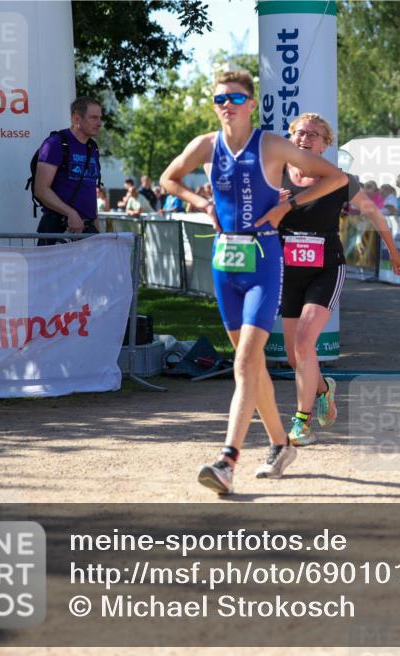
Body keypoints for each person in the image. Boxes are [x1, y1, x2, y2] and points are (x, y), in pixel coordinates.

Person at [160, 70, 347, 494]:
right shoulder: (206, 145)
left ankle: (227, 460)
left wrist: (288, 206)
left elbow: (336, 177)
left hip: (264, 259)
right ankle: (281, 444)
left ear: (251, 103)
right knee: (252, 364)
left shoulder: (273, 144)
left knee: (246, 362)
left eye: (236, 97)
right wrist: (200, 201)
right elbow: (168, 178)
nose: (227, 104)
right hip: (226, 262)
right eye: (220, 98)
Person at [277, 113, 400, 446]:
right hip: (286, 271)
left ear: (326, 144)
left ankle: (301, 422)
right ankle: (323, 389)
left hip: (325, 268)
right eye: (300, 132)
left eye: (314, 135)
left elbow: (373, 212)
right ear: (290, 137)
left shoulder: (338, 179)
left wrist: (393, 250)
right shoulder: (273, 176)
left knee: (305, 344)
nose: (305, 138)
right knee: (294, 356)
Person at [32, 96, 103, 246]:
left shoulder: (93, 147)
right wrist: (70, 213)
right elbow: (41, 189)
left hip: (87, 230)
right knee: (52, 270)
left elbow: (90, 190)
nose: (99, 123)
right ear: (77, 118)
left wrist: (97, 228)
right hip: (57, 228)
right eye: (93, 118)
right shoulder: (55, 143)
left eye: (100, 118)